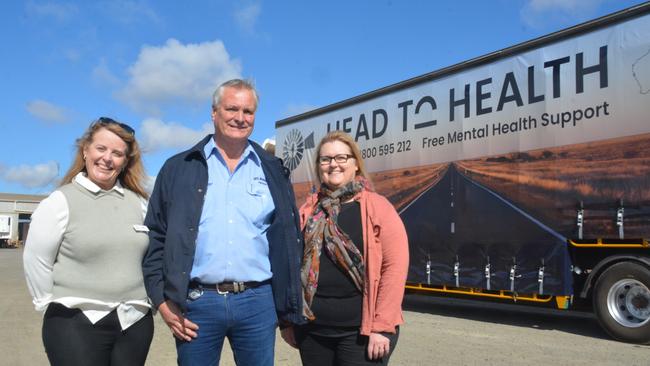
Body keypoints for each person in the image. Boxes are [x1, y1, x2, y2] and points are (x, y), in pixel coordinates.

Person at [142, 79, 304, 365]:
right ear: (214, 112)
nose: (240, 118)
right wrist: (162, 301)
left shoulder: (274, 170)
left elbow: (289, 241)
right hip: (196, 303)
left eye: (248, 111)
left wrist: (288, 308)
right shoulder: (178, 168)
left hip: (258, 302)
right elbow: (155, 236)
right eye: (231, 109)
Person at [23, 117, 153, 366]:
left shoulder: (139, 203)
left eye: (117, 153)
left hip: (134, 322)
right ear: (85, 150)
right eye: (101, 149)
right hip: (75, 323)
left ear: (125, 162)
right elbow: (36, 260)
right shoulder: (60, 202)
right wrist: (50, 304)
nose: (107, 158)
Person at [281, 131, 409, 365]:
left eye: (341, 157)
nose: (333, 164)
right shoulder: (309, 211)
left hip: (360, 332)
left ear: (355, 164)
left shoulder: (378, 208)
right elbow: (291, 266)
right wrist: (288, 320)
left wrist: (382, 326)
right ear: (319, 166)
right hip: (313, 330)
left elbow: (395, 268)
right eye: (326, 159)